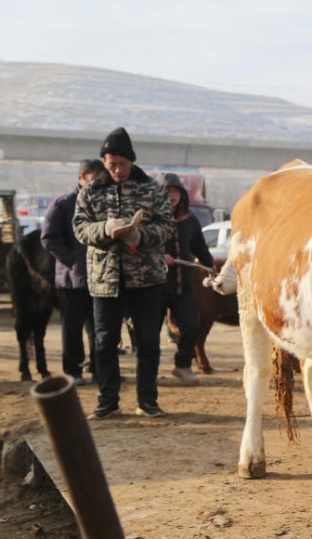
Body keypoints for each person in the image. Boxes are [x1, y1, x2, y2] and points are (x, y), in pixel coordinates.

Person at [73, 127, 175, 418]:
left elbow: (167, 225)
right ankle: (107, 401)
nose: (117, 170)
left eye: (122, 164)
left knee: (147, 341)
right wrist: (104, 229)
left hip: (146, 278)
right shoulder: (90, 192)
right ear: (104, 163)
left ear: (131, 161)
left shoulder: (152, 189)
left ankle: (147, 400)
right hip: (106, 280)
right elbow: (79, 228)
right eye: (111, 164)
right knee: (104, 342)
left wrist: (141, 236)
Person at [40, 158, 106, 385]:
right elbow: (48, 238)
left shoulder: (104, 204)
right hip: (72, 280)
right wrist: (73, 260)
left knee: (100, 328)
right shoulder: (64, 204)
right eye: (93, 178)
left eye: (101, 178)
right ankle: (73, 371)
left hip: (101, 278)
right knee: (72, 328)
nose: (98, 182)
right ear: (81, 178)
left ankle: (99, 369)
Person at [160, 173, 213, 385]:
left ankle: (182, 365)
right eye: (167, 192)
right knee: (150, 331)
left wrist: (210, 267)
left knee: (191, 325)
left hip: (183, 286)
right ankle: (147, 372)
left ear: (182, 195)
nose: (172, 196)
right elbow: (141, 246)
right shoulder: (151, 217)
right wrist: (159, 256)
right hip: (157, 285)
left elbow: (199, 246)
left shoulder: (190, 220)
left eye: (175, 192)